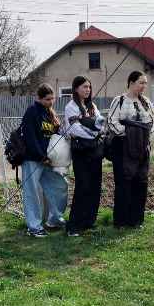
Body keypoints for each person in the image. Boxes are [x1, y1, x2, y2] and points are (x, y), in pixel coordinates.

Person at [106, 71, 154, 228]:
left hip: (142, 147)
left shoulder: (146, 102)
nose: (144, 86)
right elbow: (112, 122)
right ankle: (121, 221)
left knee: (141, 183)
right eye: (141, 82)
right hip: (123, 147)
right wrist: (129, 133)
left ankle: (136, 220)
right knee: (123, 183)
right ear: (131, 82)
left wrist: (144, 134)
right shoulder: (119, 100)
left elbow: (153, 121)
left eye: (145, 83)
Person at [20, 83, 68, 238]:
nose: (51, 102)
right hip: (33, 160)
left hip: (49, 160)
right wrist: (41, 156)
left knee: (60, 186)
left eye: (52, 99)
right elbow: (30, 137)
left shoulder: (49, 113)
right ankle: (34, 227)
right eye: (47, 99)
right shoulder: (32, 111)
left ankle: (54, 219)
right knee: (32, 193)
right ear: (39, 98)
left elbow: (54, 136)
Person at [63, 76, 105, 237]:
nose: (87, 89)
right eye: (84, 87)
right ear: (75, 89)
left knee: (95, 186)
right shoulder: (71, 107)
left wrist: (93, 130)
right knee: (83, 186)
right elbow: (74, 129)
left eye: (89, 87)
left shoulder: (92, 105)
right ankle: (73, 225)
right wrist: (93, 132)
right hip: (81, 150)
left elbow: (100, 125)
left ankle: (89, 221)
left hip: (94, 150)